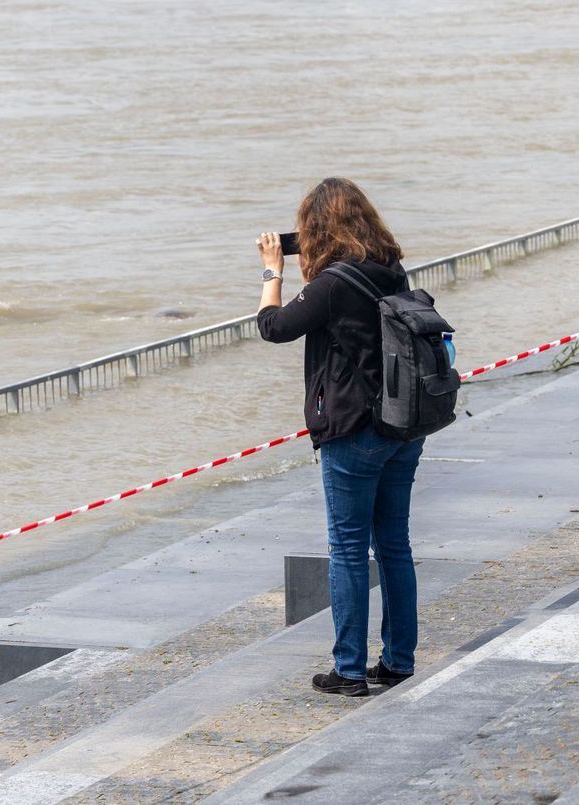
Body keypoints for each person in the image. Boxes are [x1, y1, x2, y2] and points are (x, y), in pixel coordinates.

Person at [255, 177, 423, 697]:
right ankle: (397, 660)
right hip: (403, 425)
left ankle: (348, 670)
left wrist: (271, 270)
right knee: (393, 544)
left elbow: (274, 326)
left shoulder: (331, 284)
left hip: (354, 431)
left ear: (316, 230)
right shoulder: (391, 270)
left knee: (348, 548)